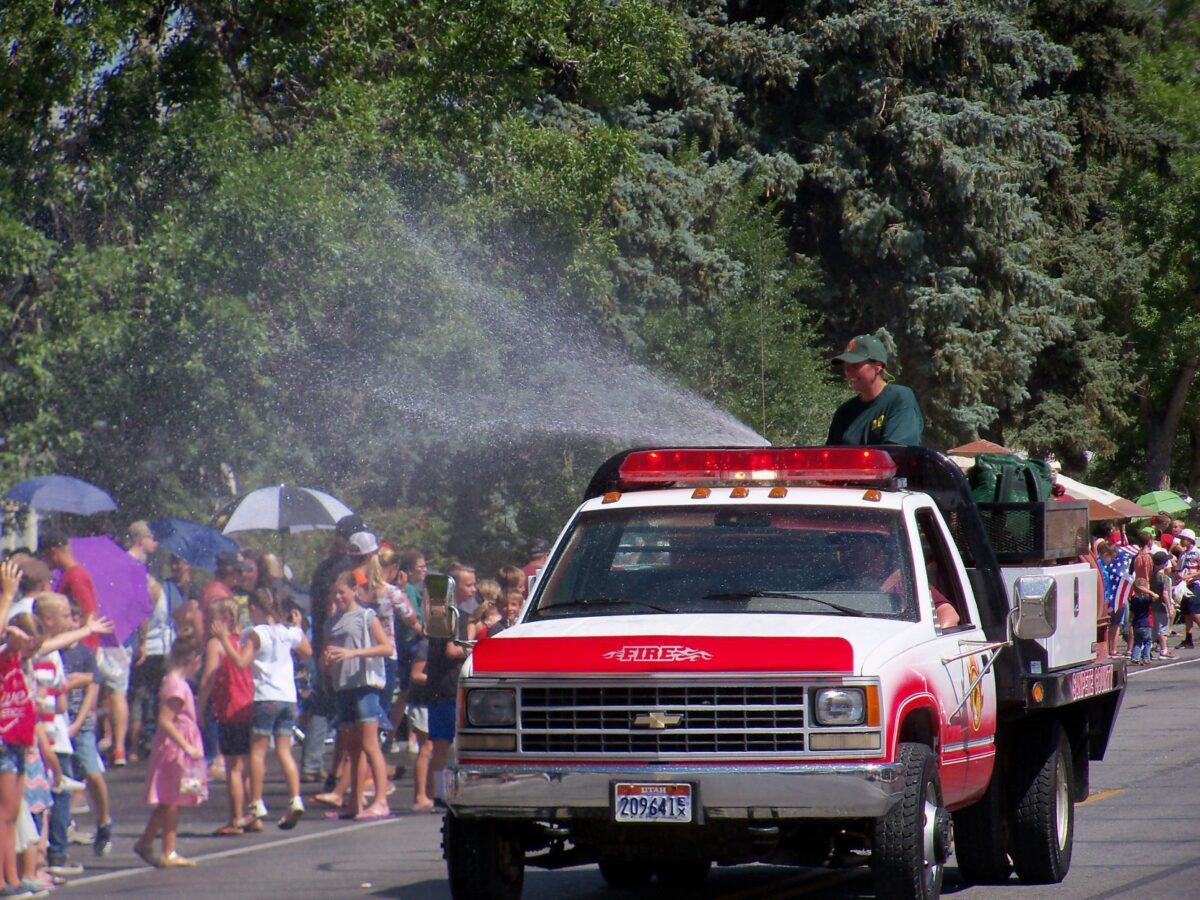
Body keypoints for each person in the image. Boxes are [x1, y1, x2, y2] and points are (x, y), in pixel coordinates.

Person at [212, 588, 311, 830]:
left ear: (254, 609)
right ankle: (295, 797)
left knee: (258, 752)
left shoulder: (258, 633)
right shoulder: (288, 632)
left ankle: (256, 801)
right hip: (288, 698)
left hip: (266, 697)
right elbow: (307, 652)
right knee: (284, 751)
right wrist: (296, 627)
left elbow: (241, 662)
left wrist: (225, 639)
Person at [322, 571, 394, 821]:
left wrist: (354, 654)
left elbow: (387, 647)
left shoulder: (366, 616)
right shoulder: (332, 621)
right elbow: (328, 657)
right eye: (335, 593)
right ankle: (355, 802)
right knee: (352, 748)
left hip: (365, 685)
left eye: (342, 591)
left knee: (369, 744)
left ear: (354, 590)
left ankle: (381, 800)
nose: (338, 597)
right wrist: (327, 661)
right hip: (343, 686)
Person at [135, 625, 207, 868]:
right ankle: (168, 850)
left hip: (178, 746)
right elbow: (166, 721)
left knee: (171, 800)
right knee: (172, 800)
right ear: (195, 660)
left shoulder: (175, 682)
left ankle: (149, 842)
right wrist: (187, 746)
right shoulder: (176, 687)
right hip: (175, 749)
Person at [301, 514, 362, 785]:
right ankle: (347, 769)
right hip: (345, 641)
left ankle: (314, 762)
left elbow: (316, 608)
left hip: (321, 639)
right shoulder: (351, 570)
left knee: (324, 701)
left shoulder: (323, 568)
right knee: (348, 706)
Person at [195, 599, 253, 836]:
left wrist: (198, 708)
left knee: (233, 768)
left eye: (211, 618)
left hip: (230, 707)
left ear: (225, 619)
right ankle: (252, 815)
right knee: (246, 766)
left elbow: (209, 678)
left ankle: (236, 818)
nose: (207, 623)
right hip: (248, 704)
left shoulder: (216, 644)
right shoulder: (244, 640)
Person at [826, 333, 924, 446]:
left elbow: (897, 454)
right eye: (846, 366)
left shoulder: (899, 398)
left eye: (855, 365)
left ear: (878, 367)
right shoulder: (844, 412)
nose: (849, 372)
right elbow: (831, 457)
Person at [1128, 577, 1155, 666]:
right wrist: (1148, 591)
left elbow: (1131, 613)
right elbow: (1156, 596)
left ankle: (1135, 658)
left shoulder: (1133, 599)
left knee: (1138, 641)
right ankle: (1146, 658)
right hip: (1146, 623)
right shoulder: (1146, 599)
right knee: (1147, 641)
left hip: (1136, 624)